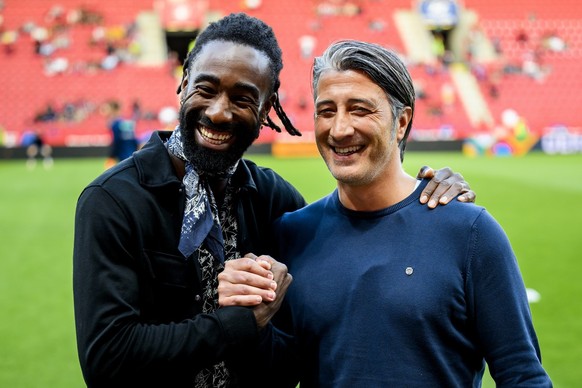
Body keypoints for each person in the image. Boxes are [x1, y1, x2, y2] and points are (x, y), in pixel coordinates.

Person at [73, 14, 475, 388]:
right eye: (205, 88)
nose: (219, 112)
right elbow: (106, 360)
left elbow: (291, 362)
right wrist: (238, 323)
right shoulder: (114, 201)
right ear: (183, 83)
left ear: (267, 108)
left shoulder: (276, 202)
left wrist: (426, 195)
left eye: (243, 99)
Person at [218, 40, 552, 387]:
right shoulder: (292, 235)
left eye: (360, 109)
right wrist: (245, 318)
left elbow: (522, 374)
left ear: (402, 121)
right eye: (327, 111)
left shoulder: (470, 232)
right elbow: (277, 373)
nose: (340, 129)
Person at [104, 100, 138, 168]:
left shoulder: (115, 124)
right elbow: (134, 140)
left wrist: (111, 156)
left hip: (123, 156)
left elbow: (116, 141)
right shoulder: (126, 123)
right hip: (132, 154)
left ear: (113, 110)